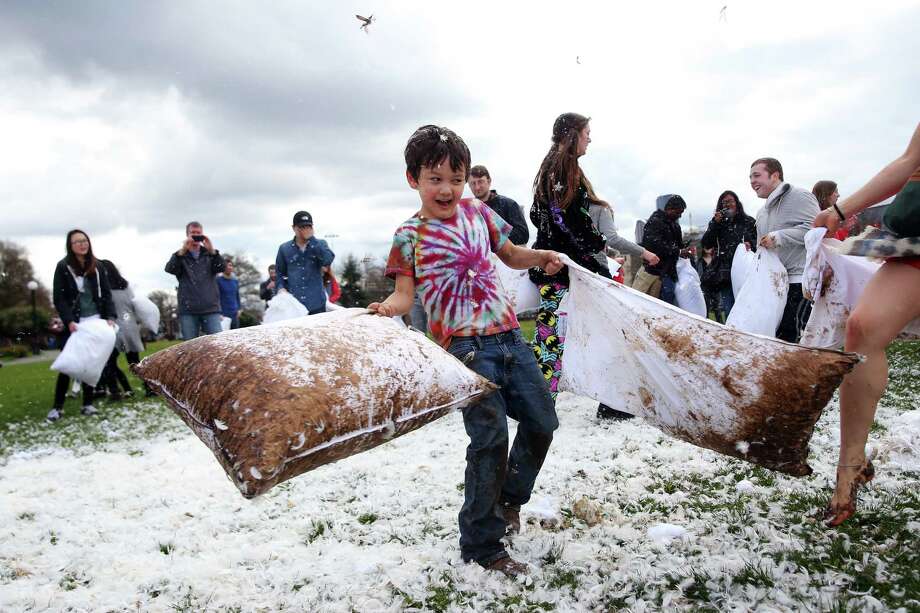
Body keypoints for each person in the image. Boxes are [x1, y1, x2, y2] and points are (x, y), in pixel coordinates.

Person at [369, 124, 562, 577]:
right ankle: (482, 543)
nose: (448, 189)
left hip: (511, 337)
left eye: (455, 179)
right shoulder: (408, 235)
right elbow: (404, 295)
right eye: (435, 179)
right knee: (490, 440)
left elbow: (511, 253)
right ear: (412, 178)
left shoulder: (478, 212)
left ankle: (509, 500)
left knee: (543, 422)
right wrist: (386, 309)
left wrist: (543, 256)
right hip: (465, 350)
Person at [813, 122, 920, 526]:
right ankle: (850, 467)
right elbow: (910, 160)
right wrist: (840, 210)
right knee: (862, 328)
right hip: (916, 240)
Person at [529, 113, 608, 401]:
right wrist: (596, 241)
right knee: (569, 332)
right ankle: (542, 401)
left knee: (550, 332)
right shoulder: (563, 170)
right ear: (572, 135)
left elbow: (539, 215)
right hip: (566, 266)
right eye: (587, 132)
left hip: (554, 263)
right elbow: (570, 218)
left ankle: (541, 399)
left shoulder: (552, 168)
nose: (590, 138)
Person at [47, 230, 117, 422]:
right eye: (77, 241)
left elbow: (107, 294)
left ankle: (88, 403)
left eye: (84, 240)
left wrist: (110, 316)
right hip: (76, 323)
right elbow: (59, 298)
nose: (82, 244)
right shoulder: (63, 267)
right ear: (70, 245)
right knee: (69, 364)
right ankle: (57, 407)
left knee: (91, 363)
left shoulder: (98, 266)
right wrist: (69, 320)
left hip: (96, 320)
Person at [750, 158, 820, 343]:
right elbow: (763, 248)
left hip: (800, 280)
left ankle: (805, 369)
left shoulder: (799, 196)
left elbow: (815, 230)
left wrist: (779, 237)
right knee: (775, 336)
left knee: (793, 335)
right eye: (750, 177)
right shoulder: (761, 212)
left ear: (775, 175)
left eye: (757, 175)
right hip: (775, 283)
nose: (752, 181)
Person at [699, 190, 757, 316]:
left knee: (747, 306)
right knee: (729, 307)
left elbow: (758, 242)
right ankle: (732, 332)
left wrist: (750, 244)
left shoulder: (748, 221)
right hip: (726, 272)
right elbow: (706, 243)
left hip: (746, 270)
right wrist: (715, 223)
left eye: (730, 201)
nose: (727, 204)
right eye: (723, 202)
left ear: (737, 203)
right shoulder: (719, 223)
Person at [165, 221, 225, 340]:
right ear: (187, 235)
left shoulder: (209, 255)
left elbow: (221, 267)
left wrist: (212, 251)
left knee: (218, 343)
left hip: (210, 308)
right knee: (189, 347)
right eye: (193, 233)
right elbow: (170, 269)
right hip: (188, 309)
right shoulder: (180, 256)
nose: (196, 236)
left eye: (199, 233)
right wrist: (181, 252)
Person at [97, 259, 145, 398]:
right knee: (135, 362)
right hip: (130, 325)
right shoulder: (125, 285)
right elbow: (134, 303)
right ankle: (149, 387)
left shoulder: (104, 289)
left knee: (109, 362)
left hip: (113, 326)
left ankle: (117, 390)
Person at [632, 195, 692, 306]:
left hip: (667, 272)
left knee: (660, 306)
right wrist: (678, 251)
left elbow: (676, 246)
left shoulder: (675, 226)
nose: (679, 216)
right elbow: (653, 245)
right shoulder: (655, 221)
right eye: (678, 212)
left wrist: (683, 250)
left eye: (681, 213)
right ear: (669, 209)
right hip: (652, 271)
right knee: (640, 302)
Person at [274, 211, 335, 314]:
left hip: (317, 304)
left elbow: (327, 260)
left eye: (308, 226)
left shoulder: (320, 243)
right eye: (302, 227)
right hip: (294, 306)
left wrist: (312, 240)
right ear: (294, 228)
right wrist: (281, 288)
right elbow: (279, 273)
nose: (305, 230)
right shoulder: (284, 248)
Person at [468, 165, 530, 245]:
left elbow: (523, 235)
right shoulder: (467, 211)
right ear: (469, 186)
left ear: (489, 181)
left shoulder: (509, 204)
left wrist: (492, 240)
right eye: (473, 183)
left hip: (506, 256)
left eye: (480, 182)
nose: (477, 187)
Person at [696, 245, 724, 322]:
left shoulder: (717, 259)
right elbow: (699, 275)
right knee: (706, 307)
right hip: (705, 286)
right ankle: (706, 322)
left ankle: (720, 324)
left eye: (710, 246)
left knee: (717, 308)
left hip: (715, 286)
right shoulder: (701, 261)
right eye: (706, 247)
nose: (708, 249)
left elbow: (719, 272)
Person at [216, 257, 242, 329]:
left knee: (235, 337)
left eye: (230, 265)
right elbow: (216, 298)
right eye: (227, 265)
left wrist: (239, 309)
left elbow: (237, 296)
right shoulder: (218, 280)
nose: (229, 267)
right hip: (223, 315)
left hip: (235, 314)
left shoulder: (235, 281)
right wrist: (219, 313)